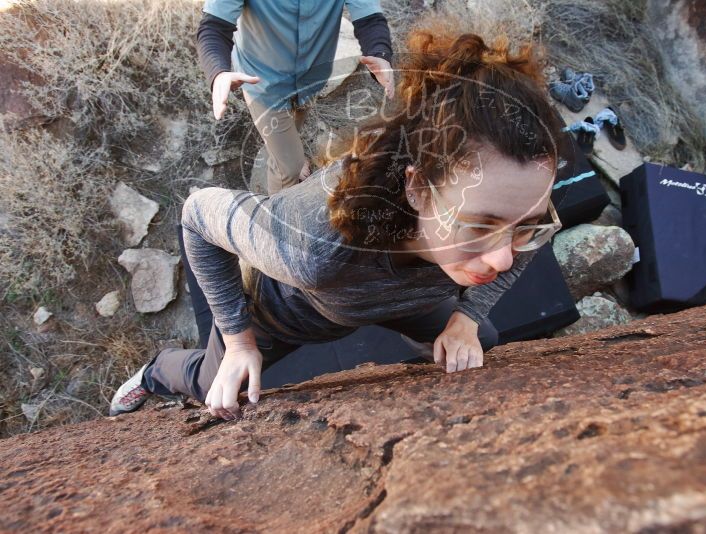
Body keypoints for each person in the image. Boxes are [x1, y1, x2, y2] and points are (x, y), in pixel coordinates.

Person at [109, 29, 566, 420]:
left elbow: (521, 245)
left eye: (524, 226)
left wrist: (468, 316)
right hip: (287, 311)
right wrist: (237, 339)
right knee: (217, 385)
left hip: (394, 298)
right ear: (418, 189)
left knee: (478, 338)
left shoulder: (503, 216)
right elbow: (197, 213)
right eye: (480, 225)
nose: (504, 256)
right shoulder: (310, 248)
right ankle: (156, 371)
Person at [197, 0, 395, 195]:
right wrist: (218, 72)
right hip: (264, 85)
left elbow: (369, 18)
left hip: (312, 78)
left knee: (295, 125)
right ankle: (278, 217)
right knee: (288, 169)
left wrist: (379, 52)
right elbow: (214, 26)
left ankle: (287, 151)